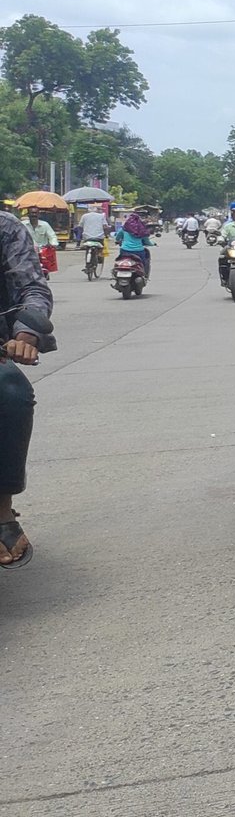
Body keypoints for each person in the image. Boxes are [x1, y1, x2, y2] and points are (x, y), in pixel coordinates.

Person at [0, 206, 54, 569]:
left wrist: (25, 332)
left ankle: (2, 511)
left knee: (10, 390)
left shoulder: (6, 229)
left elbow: (33, 287)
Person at [115, 212, 154, 278]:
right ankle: (144, 276)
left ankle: (115, 273)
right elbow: (147, 242)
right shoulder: (141, 230)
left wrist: (119, 241)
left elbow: (117, 238)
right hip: (138, 251)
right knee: (143, 263)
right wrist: (152, 244)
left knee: (119, 261)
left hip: (125, 250)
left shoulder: (124, 229)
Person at [25, 209, 57, 278]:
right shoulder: (23, 224)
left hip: (42, 250)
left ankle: (45, 273)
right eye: (32, 213)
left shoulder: (45, 225)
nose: (34, 215)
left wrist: (53, 244)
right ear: (28, 215)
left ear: (38, 215)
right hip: (28, 250)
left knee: (47, 264)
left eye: (35, 213)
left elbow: (52, 236)